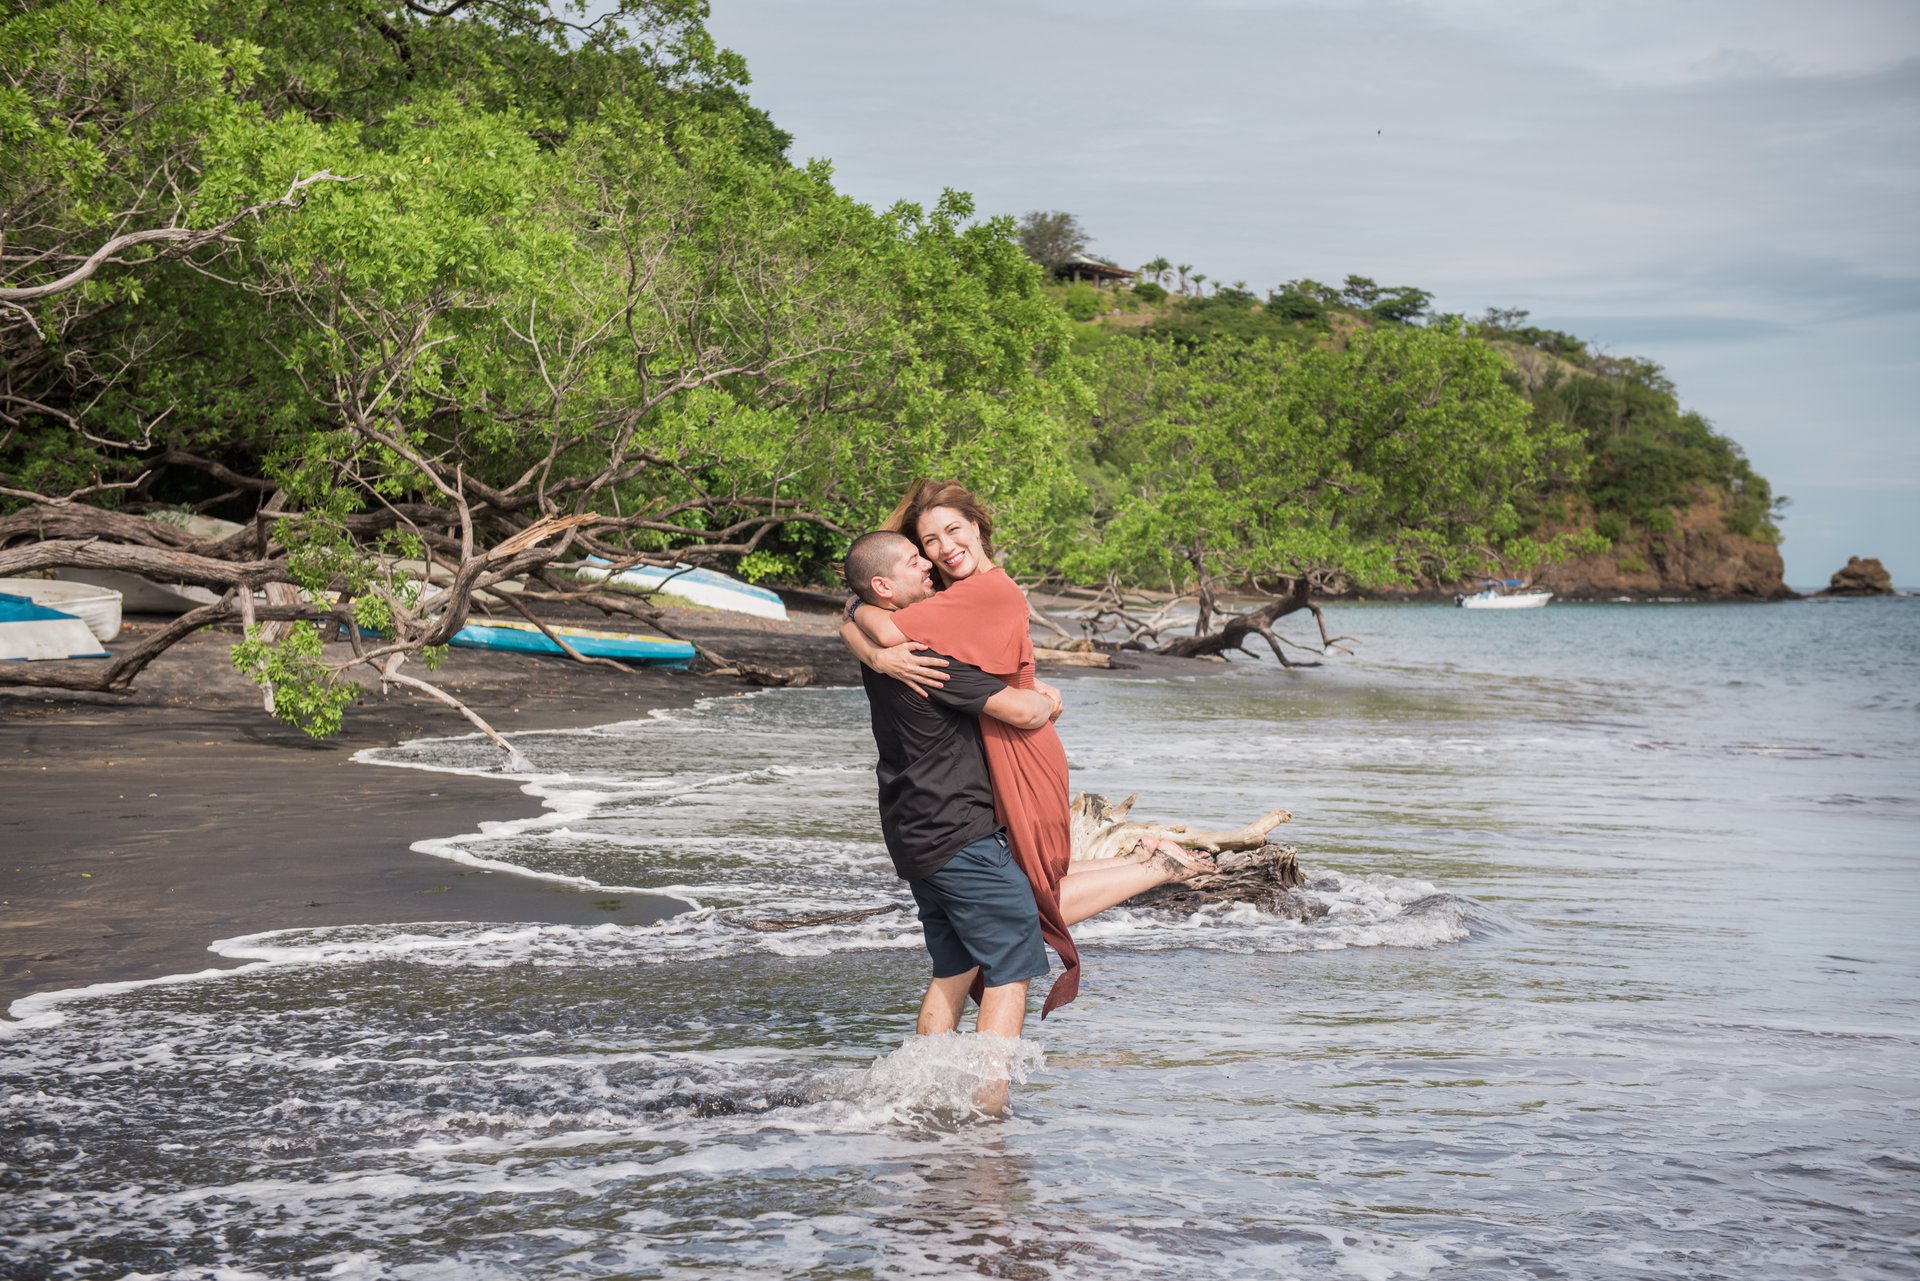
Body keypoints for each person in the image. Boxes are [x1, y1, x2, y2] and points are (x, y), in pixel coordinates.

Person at [841, 480, 1208, 1018]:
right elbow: (864, 612)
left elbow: (869, 617)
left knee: (1030, 886)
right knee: (1028, 894)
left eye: (952, 532)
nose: (940, 550)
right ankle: (1149, 864)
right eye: (928, 542)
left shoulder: (979, 593)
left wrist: (871, 646)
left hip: (1013, 753)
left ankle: (1150, 864)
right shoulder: (948, 602)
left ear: (977, 527)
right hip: (996, 756)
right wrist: (873, 647)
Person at [843, 529, 1058, 1113]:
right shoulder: (924, 659)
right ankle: (988, 1111)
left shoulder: (884, 645)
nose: (929, 567)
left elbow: (852, 612)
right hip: (959, 833)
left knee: (955, 965)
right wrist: (1048, 698)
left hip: (914, 834)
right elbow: (1020, 710)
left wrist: (865, 630)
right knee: (1011, 969)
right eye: (916, 561)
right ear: (885, 586)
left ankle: (913, 1097)